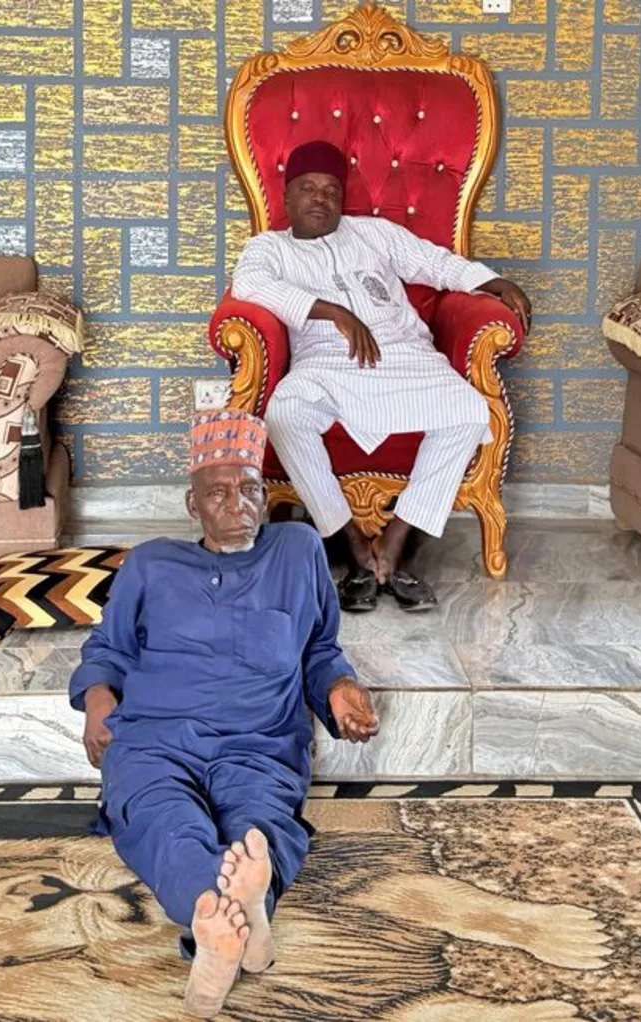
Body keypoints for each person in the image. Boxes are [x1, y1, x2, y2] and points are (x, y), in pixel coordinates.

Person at [70, 409, 380, 1019]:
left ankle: (218, 937)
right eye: (219, 492)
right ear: (193, 504)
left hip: (259, 741)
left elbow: (318, 649)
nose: (238, 504)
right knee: (161, 817)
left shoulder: (297, 552)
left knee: (262, 824)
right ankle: (243, 922)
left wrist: (340, 686)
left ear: (266, 497)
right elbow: (107, 649)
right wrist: (98, 702)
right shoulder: (152, 564)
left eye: (250, 490)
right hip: (156, 737)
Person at [231, 139, 532, 613]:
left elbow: (434, 263)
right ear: (286, 197)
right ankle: (351, 543)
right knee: (285, 414)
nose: (320, 199)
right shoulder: (269, 248)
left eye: (331, 190)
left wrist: (493, 282)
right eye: (307, 188)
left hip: (403, 355)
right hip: (325, 363)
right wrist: (333, 313)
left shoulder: (373, 233)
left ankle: (395, 542)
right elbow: (249, 286)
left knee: (471, 411)